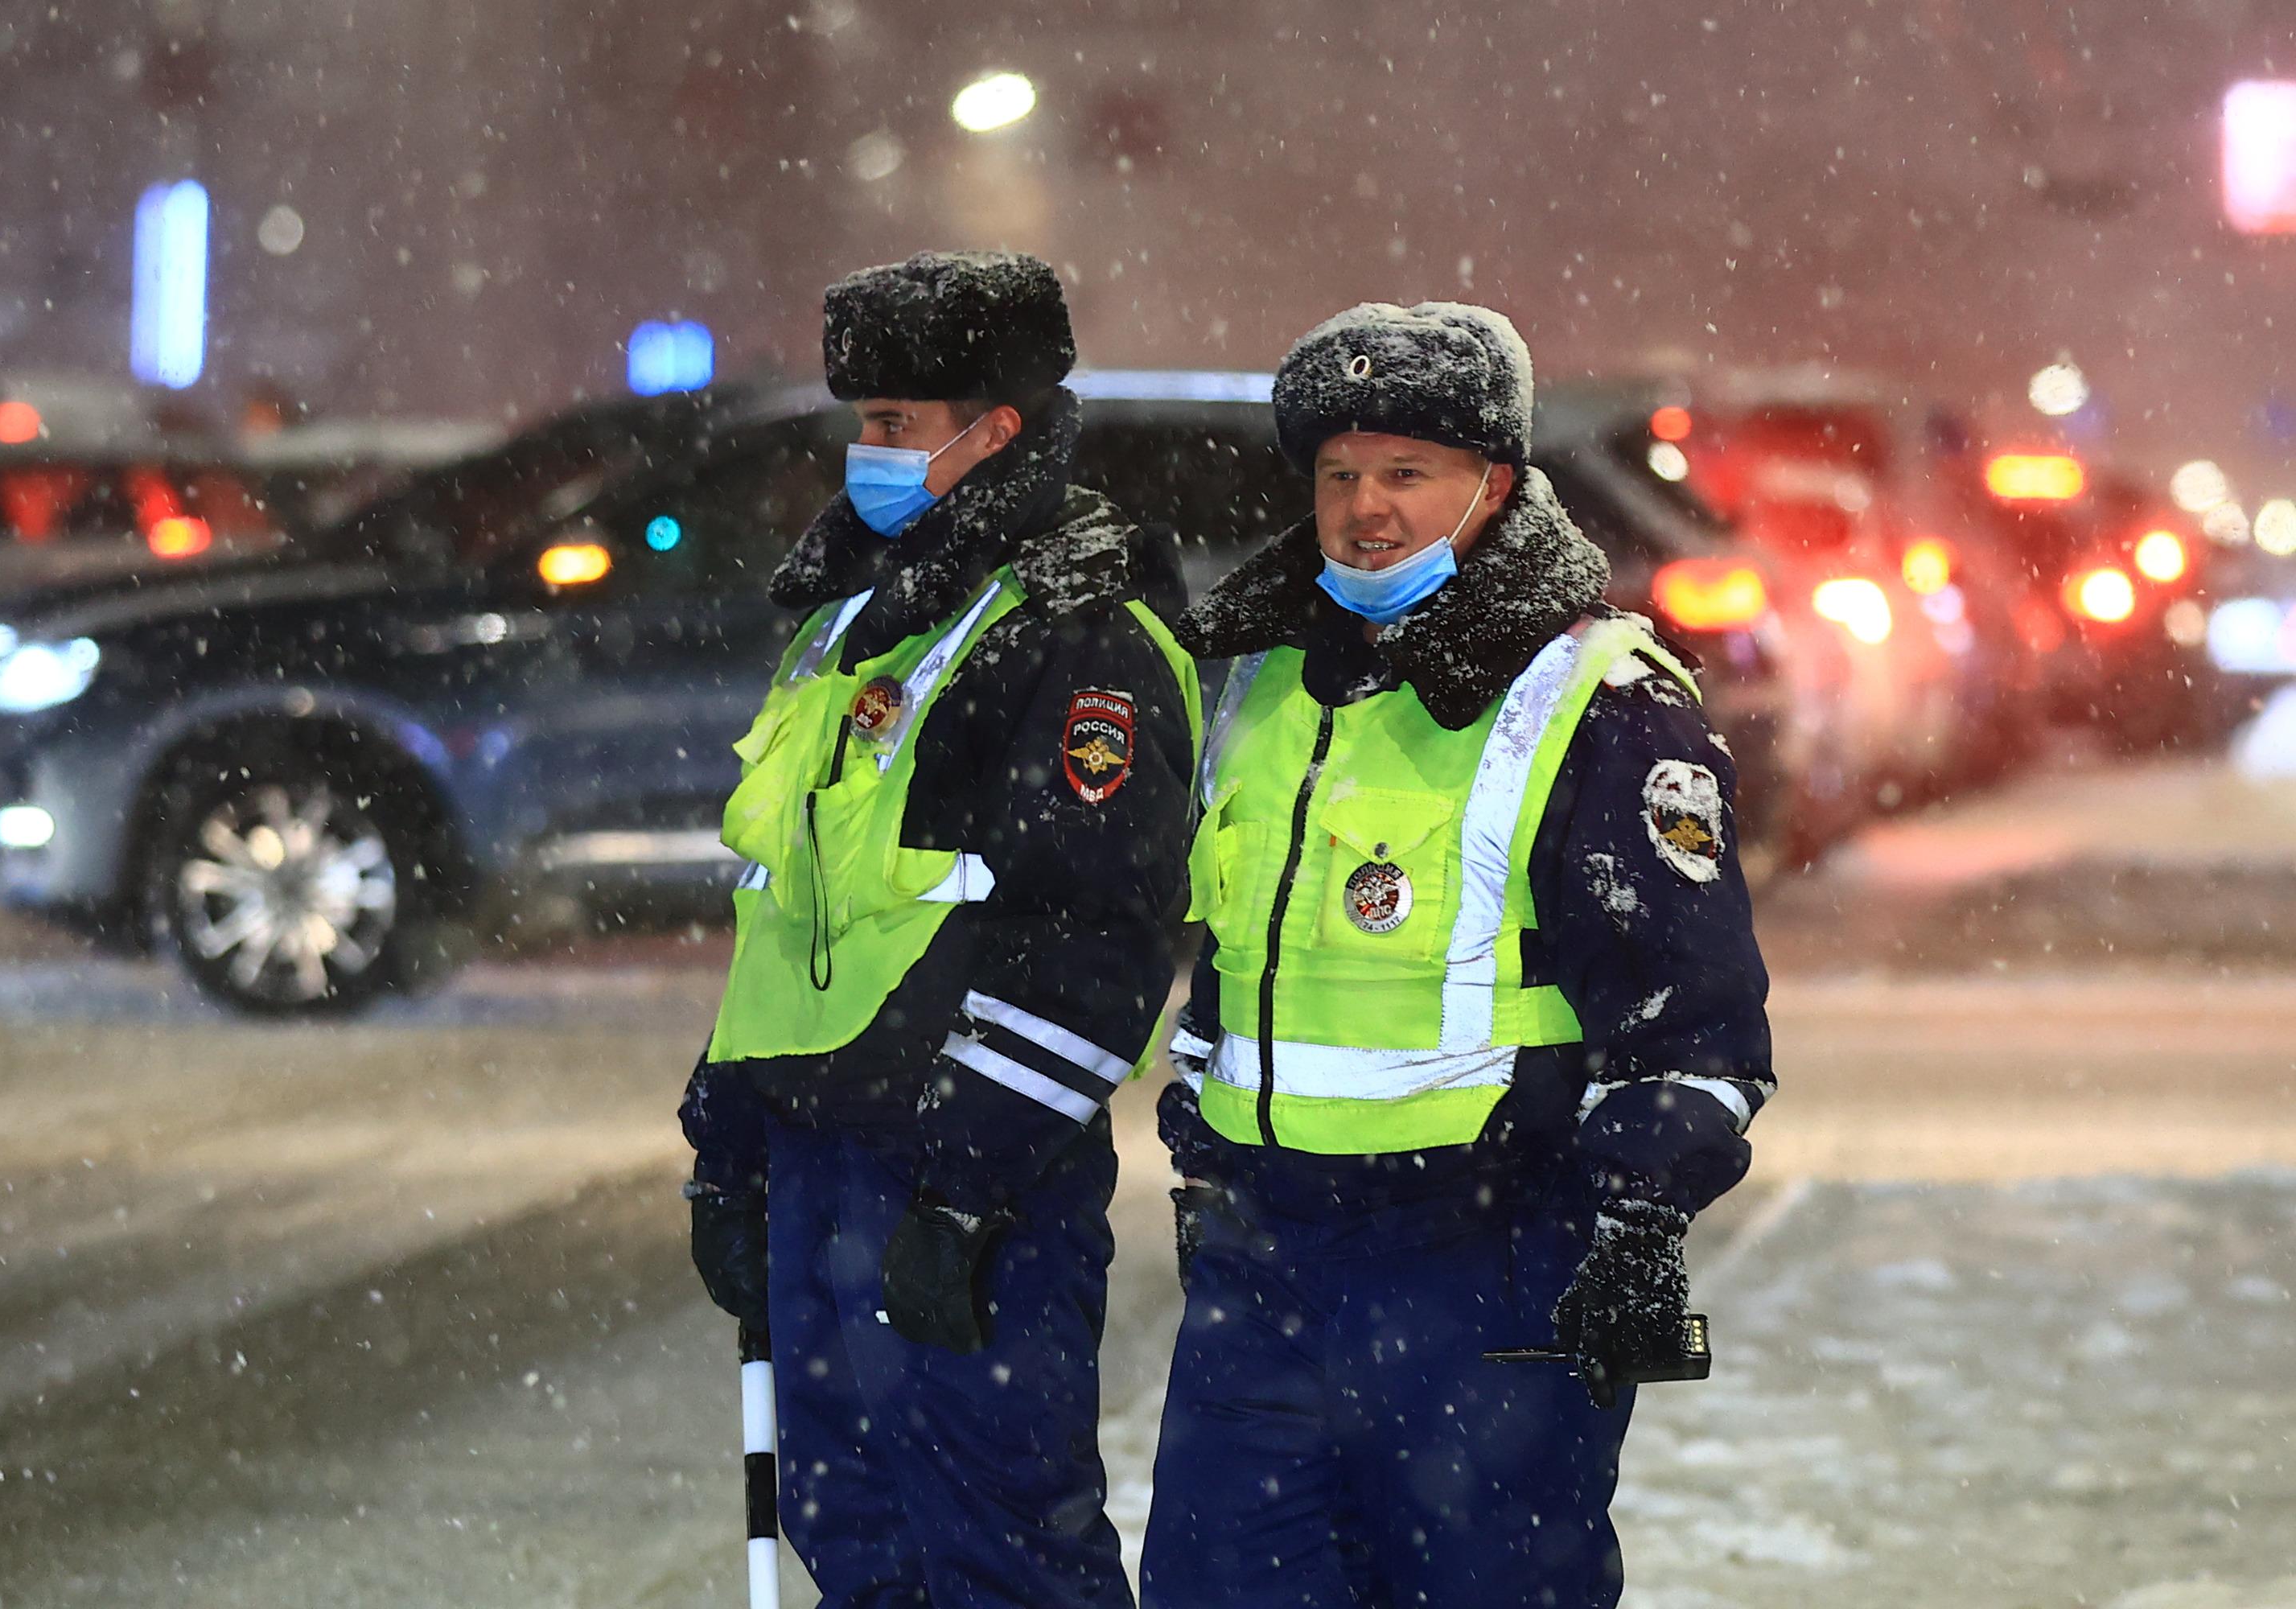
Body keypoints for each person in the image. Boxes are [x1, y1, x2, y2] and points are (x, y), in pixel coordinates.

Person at [1139, 302, 1773, 1609]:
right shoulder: (1264, 685)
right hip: (1263, 1263)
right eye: (1338, 476)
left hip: (1488, 1258)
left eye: (1405, 473)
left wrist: (1636, 1218)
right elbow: (1231, 964)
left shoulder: (1597, 701)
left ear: (1493, 484)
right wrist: (1199, 1144)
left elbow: (1694, 1022)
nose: (1366, 507)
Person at [679, 250, 1199, 1609]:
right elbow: (787, 907)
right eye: (863, 423)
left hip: (966, 1171)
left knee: (1000, 1545)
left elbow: (1099, 938)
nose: (870, 453)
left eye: (898, 426)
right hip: (819, 1151)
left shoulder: (1078, 633)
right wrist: (729, 1136)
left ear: (997, 432)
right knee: (853, 1524)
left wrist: (968, 1184)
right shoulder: (858, 621)